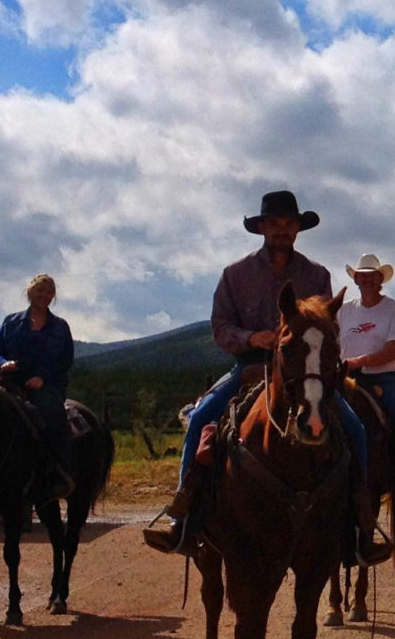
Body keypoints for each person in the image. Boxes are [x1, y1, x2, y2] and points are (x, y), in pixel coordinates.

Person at [145, 189, 380, 562]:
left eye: (289, 224)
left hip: (305, 372)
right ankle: (183, 515)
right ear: (262, 228)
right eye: (275, 224)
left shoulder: (316, 275)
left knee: (356, 429)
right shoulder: (235, 275)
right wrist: (251, 337)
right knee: (201, 419)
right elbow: (220, 326)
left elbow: (327, 325)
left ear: (298, 229)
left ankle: (361, 523)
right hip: (249, 367)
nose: (282, 230)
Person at [341, 254, 395, 512]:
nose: (366, 280)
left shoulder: (394, 309)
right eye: (361, 276)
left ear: (380, 280)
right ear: (355, 279)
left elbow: (392, 351)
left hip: (383, 378)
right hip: (345, 377)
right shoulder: (343, 310)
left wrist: (358, 361)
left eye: (371, 276)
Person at [0, 273, 75, 493]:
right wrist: (2, 363)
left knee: (51, 412)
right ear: (29, 293)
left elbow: (65, 360)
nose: (44, 296)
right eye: (40, 291)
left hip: (47, 384)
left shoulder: (60, 327)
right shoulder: (11, 321)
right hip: (9, 381)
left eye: (49, 292)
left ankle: (58, 471)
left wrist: (42, 378)